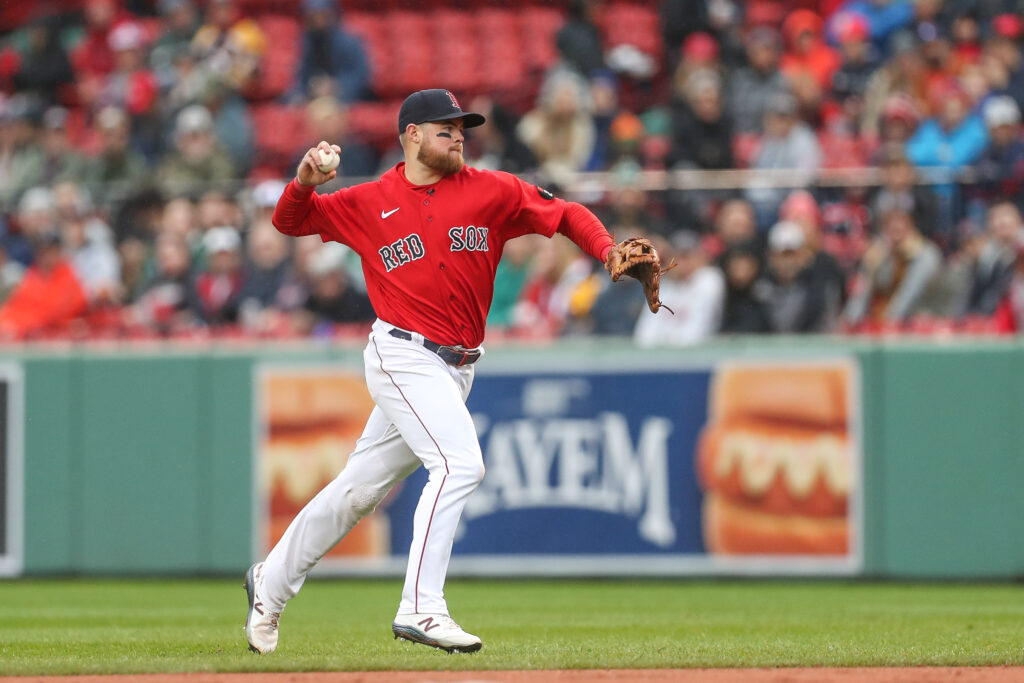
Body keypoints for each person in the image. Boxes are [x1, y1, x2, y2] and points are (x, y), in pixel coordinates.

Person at [246, 88, 633, 655]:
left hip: (456, 368)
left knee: (357, 492)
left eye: (462, 127)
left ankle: (269, 583)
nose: (458, 134)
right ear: (412, 135)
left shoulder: (492, 190)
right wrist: (304, 180)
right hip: (402, 352)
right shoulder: (370, 200)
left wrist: (605, 250)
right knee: (459, 464)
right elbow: (290, 222)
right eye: (445, 126)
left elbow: (566, 212)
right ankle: (422, 608)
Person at [633, 230, 724, 346]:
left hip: (696, 357)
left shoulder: (709, 280)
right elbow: (644, 334)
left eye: (687, 256)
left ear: (701, 257)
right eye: (678, 256)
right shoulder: (663, 287)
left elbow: (697, 332)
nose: (682, 263)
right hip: (659, 358)